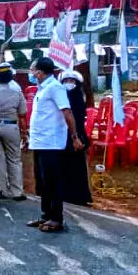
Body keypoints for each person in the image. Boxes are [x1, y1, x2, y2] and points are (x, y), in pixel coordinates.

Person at [27, 58, 85, 232]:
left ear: (40, 72)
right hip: (39, 141)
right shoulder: (43, 88)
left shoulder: (55, 88)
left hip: (51, 142)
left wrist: (74, 137)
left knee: (52, 181)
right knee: (43, 181)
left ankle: (56, 218)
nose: (31, 73)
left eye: (32, 70)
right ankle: (46, 214)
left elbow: (67, 112)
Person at [0, 63, 28, 201]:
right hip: (12, 127)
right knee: (15, 160)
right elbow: (22, 115)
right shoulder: (17, 93)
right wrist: (24, 132)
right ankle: (17, 191)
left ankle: (3, 190)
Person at [57, 69, 93, 206]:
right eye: (66, 81)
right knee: (64, 166)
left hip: (76, 135)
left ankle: (79, 196)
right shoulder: (61, 96)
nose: (68, 83)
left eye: (71, 81)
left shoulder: (78, 97)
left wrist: (77, 136)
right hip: (62, 135)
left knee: (77, 168)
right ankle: (66, 193)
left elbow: (77, 119)